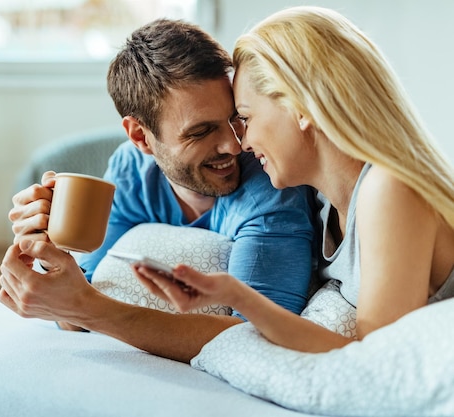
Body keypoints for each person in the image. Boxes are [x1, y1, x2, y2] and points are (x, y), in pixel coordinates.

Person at [134, 6, 454, 354]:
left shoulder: (389, 190)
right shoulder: (323, 206)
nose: (242, 143)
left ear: (301, 109)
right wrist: (233, 293)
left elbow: (375, 362)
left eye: (245, 117)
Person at [0, 18, 317, 363]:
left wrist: (86, 309)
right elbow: (75, 314)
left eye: (236, 118)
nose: (234, 145)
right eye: (200, 131)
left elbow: (259, 339)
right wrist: (50, 261)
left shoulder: (270, 183)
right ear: (140, 137)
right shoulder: (131, 174)